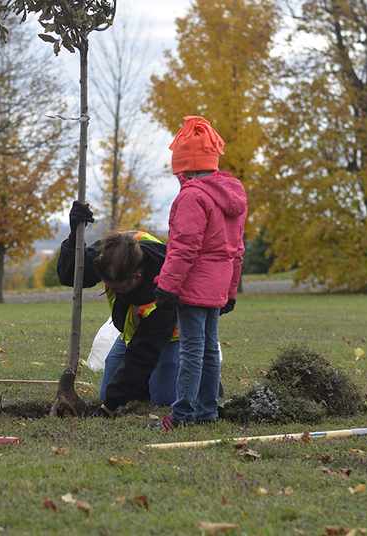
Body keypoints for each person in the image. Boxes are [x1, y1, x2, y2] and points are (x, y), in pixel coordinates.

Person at [148, 116, 247, 430]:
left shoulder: (192, 196)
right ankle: (207, 412)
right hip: (217, 286)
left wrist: (167, 285)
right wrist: (230, 291)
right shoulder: (232, 196)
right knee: (208, 348)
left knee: (191, 351)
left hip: (192, 287)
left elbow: (184, 246)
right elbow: (237, 249)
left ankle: (182, 416)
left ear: (185, 168)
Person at [56, 202, 180, 417]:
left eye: (117, 288)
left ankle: (188, 375)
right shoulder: (109, 254)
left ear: (137, 277)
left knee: (164, 400)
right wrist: (75, 233)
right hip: (128, 335)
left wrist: (108, 408)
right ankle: (149, 379)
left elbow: (143, 352)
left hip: (170, 339)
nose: (113, 292)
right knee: (107, 392)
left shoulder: (164, 289)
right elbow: (71, 275)